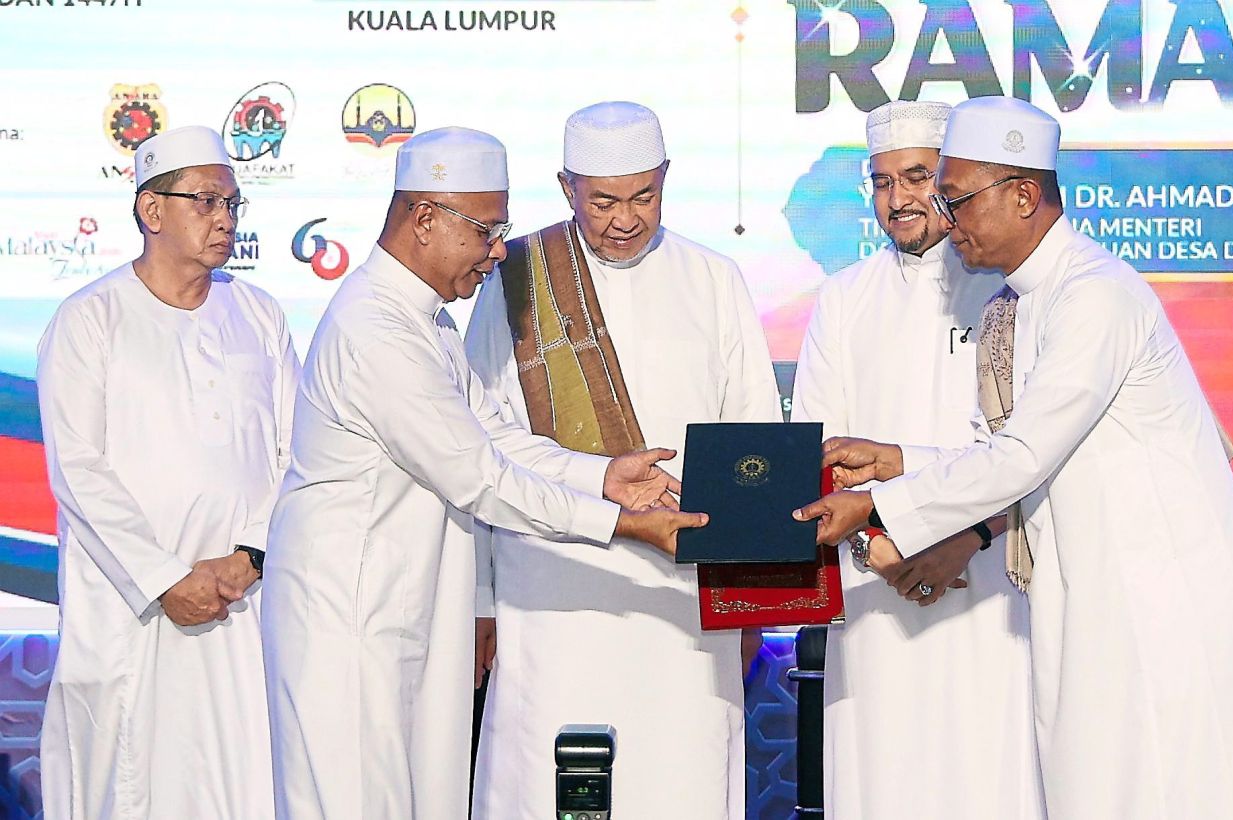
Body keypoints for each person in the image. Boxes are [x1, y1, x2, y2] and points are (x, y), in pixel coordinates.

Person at [796, 96, 1233, 819]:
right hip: (1089, 595)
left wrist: (878, 505)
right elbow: (1004, 449)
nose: (947, 218)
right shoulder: (1022, 304)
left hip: (1155, 603)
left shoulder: (1094, 297)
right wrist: (895, 460)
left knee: (1157, 792)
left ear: (1025, 195)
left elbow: (1023, 454)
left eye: (956, 198)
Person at [260, 126, 706, 820]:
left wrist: (601, 477)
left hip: (403, 613)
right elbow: (480, 479)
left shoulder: (425, 320)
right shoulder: (375, 330)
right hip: (349, 621)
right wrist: (626, 525)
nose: (499, 251)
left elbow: (497, 437)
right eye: (487, 230)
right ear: (425, 220)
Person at [466, 101, 782, 820]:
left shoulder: (715, 278)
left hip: (684, 597)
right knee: (543, 779)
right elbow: (479, 443)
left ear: (667, 179)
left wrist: (755, 601)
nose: (624, 218)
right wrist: (480, 601)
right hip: (550, 589)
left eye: (644, 195)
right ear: (566, 187)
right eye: (603, 199)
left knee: (683, 778)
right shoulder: (515, 278)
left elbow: (753, 445)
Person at [790, 100, 1043, 820]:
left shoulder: (1009, 290)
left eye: (916, 177)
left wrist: (961, 539)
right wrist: (882, 547)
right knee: (881, 775)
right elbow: (820, 446)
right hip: (876, 582)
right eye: (881, 182)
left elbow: (1026, 451)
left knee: (988, 773)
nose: (898, 199)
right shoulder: (843, 299)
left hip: (993, 576)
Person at [36, 125, 296, 819]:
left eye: (234, 204)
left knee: (244, 777)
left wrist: (248, 556)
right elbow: (79, 471)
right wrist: (166, 579)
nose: (226, 220)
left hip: (242, 603)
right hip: (133, 609)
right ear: (153, 211)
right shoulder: (90, 319)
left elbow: (294, 456)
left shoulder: (259, 314)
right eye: (207, 202)